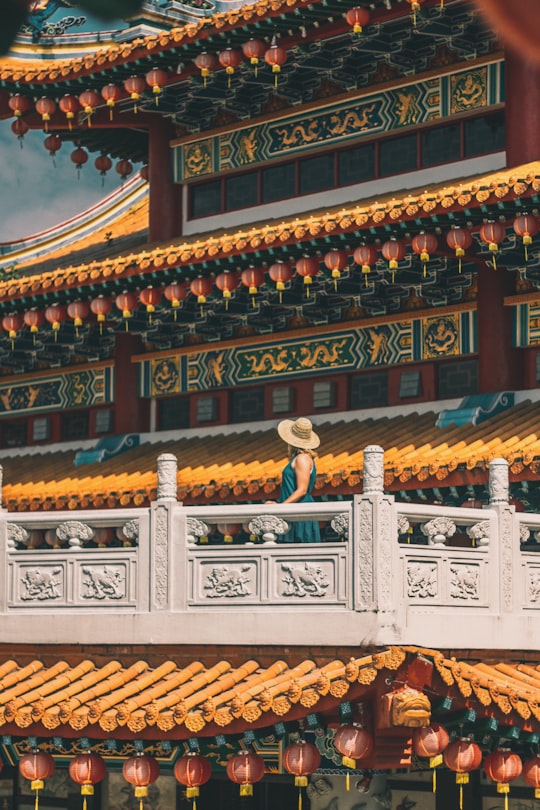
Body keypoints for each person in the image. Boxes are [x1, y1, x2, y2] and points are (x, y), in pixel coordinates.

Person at [270, 416, 321, 543]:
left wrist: (280, 507)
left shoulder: (302, 459)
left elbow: (302, 490)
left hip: (300, 508)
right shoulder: (300, 458)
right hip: (294, 507)